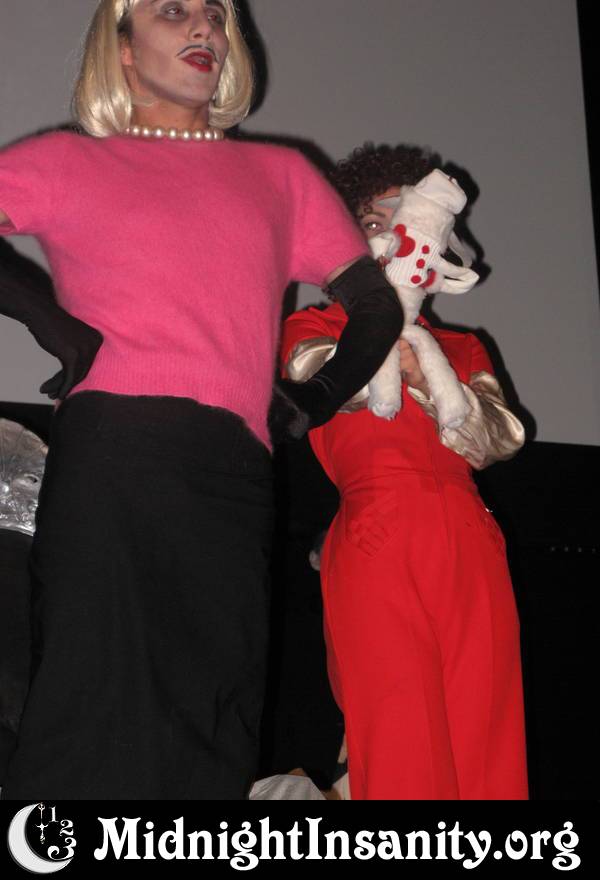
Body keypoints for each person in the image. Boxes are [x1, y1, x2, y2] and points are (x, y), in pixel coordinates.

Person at [0, 2, 403, 800]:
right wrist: (48, 317)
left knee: (215, 708)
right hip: (113, 456)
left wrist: (315, 397)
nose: (205, 29)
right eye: (173, 11)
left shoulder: (280, 175)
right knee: (91, 692)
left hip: (231, 475)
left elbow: (376, 306)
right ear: (122, 47)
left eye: (216, 14)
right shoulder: (68, 160)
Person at [281, 143, 528, 800]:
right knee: (398, 725)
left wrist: (429, 374)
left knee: (486, 726)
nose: (395, 233)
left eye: (406, 217)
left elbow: (498, 439)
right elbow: (321, 383)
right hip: (375, 530)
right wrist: (393, 341)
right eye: (374, 220)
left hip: (468, 533)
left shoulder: (464, 346)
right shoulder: (312, 325)